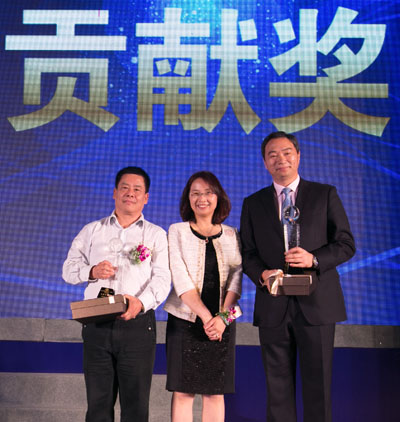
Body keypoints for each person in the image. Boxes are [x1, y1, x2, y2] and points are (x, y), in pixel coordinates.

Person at [240, 131, 356, 422]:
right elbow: (247, 253)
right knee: (277, 391)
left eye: (287, 152)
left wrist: (313, 259)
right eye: (272, 155)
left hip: (317, 304)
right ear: (265, 162)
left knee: (319, 389)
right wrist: (262, 274)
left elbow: (345, 244)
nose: (280, 159)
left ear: (298, 156)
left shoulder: (324, 194)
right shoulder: (253, 203)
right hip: (274, 305)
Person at [62, 166, 171, 422]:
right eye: (125, 188)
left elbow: (163, 278)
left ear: (146, 197)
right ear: (114, 193)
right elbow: (68, 270)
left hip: (137, 325)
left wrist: (140, 303)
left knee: (136, 407)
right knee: (98, 405)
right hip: (97, 323)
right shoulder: (92, 230)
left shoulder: (155, 234)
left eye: (137, 189)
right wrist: (92, 271)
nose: (130, 193)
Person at [164, 171, 242, 422]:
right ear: (188, 199)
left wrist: (222, 319)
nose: (202, 198)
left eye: (208, 192)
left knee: (215, 393)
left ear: (218, 197)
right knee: (183, 391)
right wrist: (209, 319)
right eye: (195, 193)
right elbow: (180, 279)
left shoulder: (232, 234)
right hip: (185, 320)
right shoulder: (177, 231)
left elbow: (237, 278)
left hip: (223, 324)